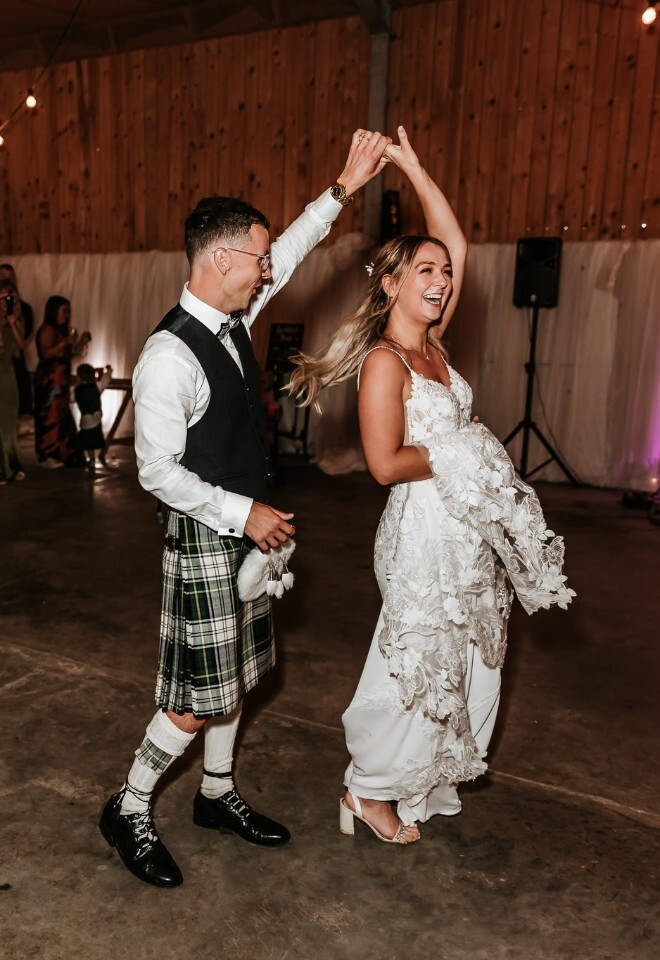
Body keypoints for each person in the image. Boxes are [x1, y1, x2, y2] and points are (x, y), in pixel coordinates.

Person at [98, 129, 392, 888]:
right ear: (221, 259)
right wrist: (244, 512)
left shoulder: (233, 317)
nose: (268, 269)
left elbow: (291, 247)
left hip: (242, 532)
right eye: (255, 258)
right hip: (205, 534)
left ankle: (216, 796)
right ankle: (128, 806)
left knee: (240, 678)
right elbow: (154, 470)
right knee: (198, 699)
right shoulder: (169, 356)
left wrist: (342, 188)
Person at [288, 126, 575, 845]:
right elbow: (385, 463)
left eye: (444, 274)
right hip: (421, 532)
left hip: (465, 532)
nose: (443, 280)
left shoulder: (436, 348)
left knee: (473, 657)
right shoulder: (388, 361)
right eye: (425, 271)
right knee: (415, 662)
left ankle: (418, 777)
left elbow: (458, 241)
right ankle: (366, 790)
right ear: (391, 284)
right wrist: (461, 447)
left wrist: (415, 166)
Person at [33, 296, 90, 468]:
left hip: (62, 380)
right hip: (49, 380)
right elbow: (46, 354)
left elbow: (69, 356)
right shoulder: (47, 330)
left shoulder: (62, 331)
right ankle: (48, 454)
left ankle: (64, 454)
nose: (67, 315)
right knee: (50, 416)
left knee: (62, 415)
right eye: (64, 311)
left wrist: (81, 342)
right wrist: (65, 342)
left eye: (68, 311)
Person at [0, 263, 35, 419]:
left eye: (10, 276)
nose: (7, 280)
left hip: (15, 367)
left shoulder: (24, 310)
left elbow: (23, 343)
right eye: (2, 277)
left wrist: (12, 321)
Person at [0, 281, 27, 483]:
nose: (6, 302)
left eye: (10, 298)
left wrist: (12, 323)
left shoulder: (16, 320)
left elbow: (22, 345)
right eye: (3, 298)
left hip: (7, 376)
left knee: (9, 425)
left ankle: (12, 463)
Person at [74, 363, 113, 468]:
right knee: (95, 438)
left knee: (87, 442)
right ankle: (94, 458)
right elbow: (106, 380)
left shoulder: (77, 390)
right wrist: (109, 371)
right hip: (97, 416)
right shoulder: (96, 386)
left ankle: (91, 459)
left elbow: (71, 399)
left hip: (85, 419)